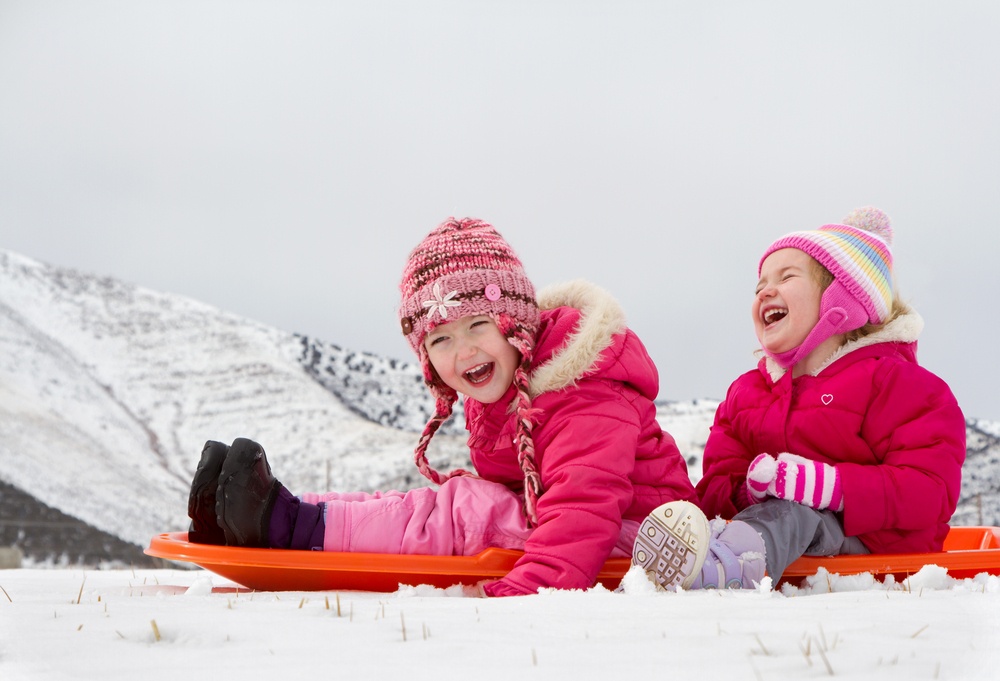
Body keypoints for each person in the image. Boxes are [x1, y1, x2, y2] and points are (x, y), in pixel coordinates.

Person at [188, 217, 696, 596]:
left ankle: (291, 527)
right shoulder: (504, 391)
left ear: (515, 324)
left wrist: (530, 591)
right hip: (576, 530)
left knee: (468, 511)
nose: (465, 351)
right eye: (442, 340)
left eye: (479, 326)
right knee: (443, 501)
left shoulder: (584, 392)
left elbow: (583, 507)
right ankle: (281, 510)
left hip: (639, 539)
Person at [631, 207, 966, 591]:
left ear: (842, 299)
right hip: (772, 532)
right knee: (756, 516)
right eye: (759, 286)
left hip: (874, 545)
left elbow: (930, 490)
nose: (765, 291)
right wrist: (748, 490)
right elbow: (715, 487)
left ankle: (723, 574)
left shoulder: (898, 383)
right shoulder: (747, 394)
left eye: (786, 277)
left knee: (794, 514)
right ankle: (669, 567)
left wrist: (830, 487)